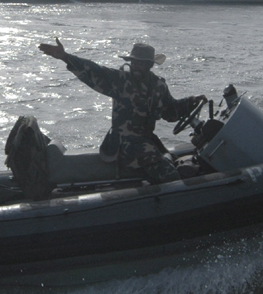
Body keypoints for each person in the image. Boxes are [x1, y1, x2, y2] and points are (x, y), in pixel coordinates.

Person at [39, 38, 205, 184]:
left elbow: (170, 111)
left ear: (149, 65)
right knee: (170, 177)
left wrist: (190, 101)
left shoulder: (158, 86)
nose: (137, 66)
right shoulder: (120, 81)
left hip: (147, 141)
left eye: (142, 63)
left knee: (173, 161)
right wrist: (65, 57)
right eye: (135, 62)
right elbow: (94, 70)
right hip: (125, 144)